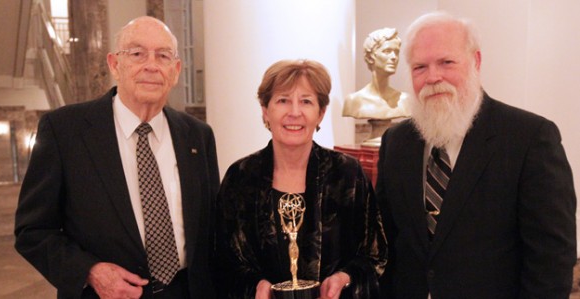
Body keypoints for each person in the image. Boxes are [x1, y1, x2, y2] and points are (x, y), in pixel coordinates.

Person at [14, 16, 220, 299]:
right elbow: (32, 230)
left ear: (175, 70)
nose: (151, 65)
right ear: (114, 65)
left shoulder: (198, 136)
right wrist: (90, 270)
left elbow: (210, 230)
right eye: (137, 54)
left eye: (162, 56)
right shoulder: (65, 131)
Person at [376, 11, 576, 298]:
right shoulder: (396, 142)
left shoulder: (530, 138)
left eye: (446, 62)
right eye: (420, 67)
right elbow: (388, 243)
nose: (433, 77)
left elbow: (552, 258)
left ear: (476, 61)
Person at [215, 59, 387, 299]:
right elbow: (223, 261)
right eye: (283, 100)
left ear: (321, 113)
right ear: (265, 110)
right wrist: (255, 286)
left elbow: (375, 255)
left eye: (306, 101)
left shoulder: (348, 175)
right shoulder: (241, 177)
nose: (294, 112)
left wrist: (343, 279)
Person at [342, 27, 409, 121]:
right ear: (370, 57)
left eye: (396, 52)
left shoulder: (404, 100)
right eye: (387, 51)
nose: (394, 57)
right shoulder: (354, 101)